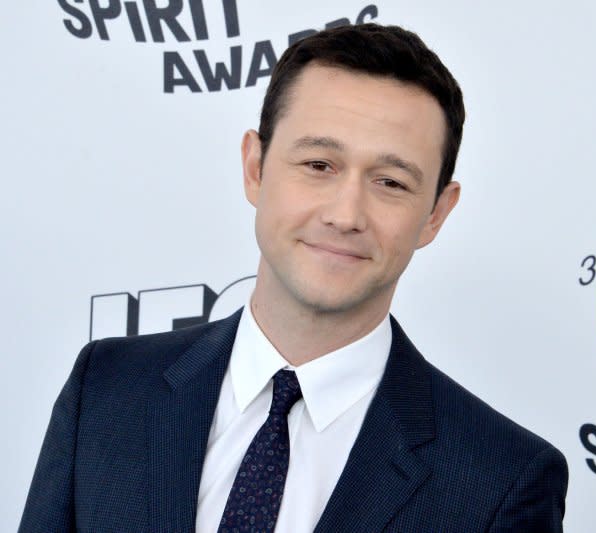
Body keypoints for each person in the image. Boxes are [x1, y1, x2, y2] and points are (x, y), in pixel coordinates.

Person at [19, 23, 567, 532]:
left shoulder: (502, 479)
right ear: (255, 168)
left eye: (391, 182)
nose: (346, 214)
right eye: (319, 166)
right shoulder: (106, 390)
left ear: (436, 214)